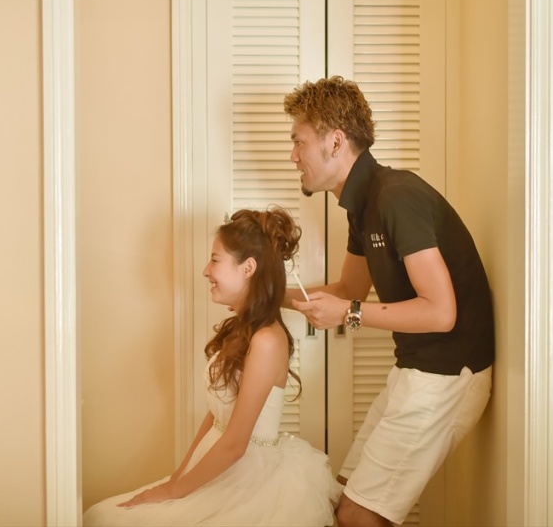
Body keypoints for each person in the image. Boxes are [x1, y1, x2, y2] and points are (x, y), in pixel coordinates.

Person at [282, 76, 494, 527]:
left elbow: (441, 312)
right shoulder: (363, 206)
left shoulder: (396, 195)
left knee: (358, 515)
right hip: (416, 368)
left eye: (299, 142)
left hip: (449, 374)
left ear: (335, 142)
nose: (293, 156)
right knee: (341, 497)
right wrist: (266, 295)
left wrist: (348, 315)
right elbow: (349, 291)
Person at [83, 206, 340, 527]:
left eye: (215, 260)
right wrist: (177, 477)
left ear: (248, 268)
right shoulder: (241, 329)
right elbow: (216, 415)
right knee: (101, 515)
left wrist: (172, 491)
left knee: (105, 519)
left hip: (244, 476)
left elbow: (235, 444)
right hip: (214, 463)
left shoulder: (267, 341)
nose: (206, 270)